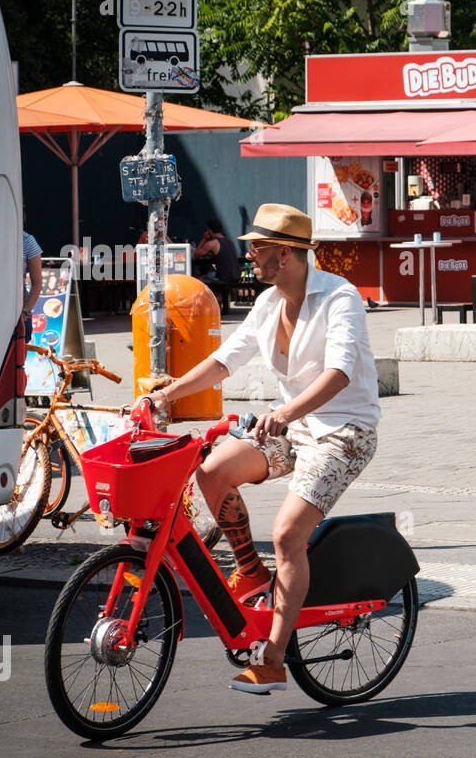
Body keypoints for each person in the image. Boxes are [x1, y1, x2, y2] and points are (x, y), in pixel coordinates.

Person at [140, 203, 380, 695]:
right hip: (291, 427)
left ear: (286, 254)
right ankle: (250, 570)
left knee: (289, 533)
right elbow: (224, 360)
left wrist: (287, 413)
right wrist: (166, 394)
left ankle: (272, 660)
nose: (247, 254)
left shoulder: (340, 297)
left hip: (343, 432)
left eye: (258, 247)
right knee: (210, 472)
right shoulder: (269, 302)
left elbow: (340, 373)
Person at [194, 218, 242, 312]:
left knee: (198, 280)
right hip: (235, 275)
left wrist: (204, 238)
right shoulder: (229, 241)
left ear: (209, 230)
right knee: (208, 276)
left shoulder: (212, 243)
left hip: (224, 277)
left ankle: (201, 306)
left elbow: (196, 255)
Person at [22, 228, 43, 340]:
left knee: (18, 356)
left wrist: (25, 313)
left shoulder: (27, 240)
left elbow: (37, 284)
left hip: (19, 314)